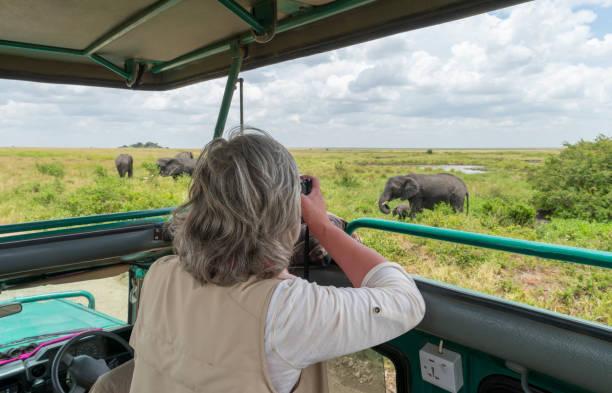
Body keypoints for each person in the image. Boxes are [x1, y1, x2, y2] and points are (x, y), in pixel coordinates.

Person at [127, 128, 425, 393]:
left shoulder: (159, 274)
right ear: (285, 210)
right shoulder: (285, 309)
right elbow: (406, 300)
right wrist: (321, 224)